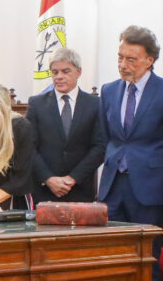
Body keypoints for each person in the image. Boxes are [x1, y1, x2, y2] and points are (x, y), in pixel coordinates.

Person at [97, 26, 163, 281]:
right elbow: (106, 137)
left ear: (149, 60)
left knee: (146, 261)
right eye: (120, 57)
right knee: (110, 262)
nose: (123, 65)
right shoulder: (109, 90)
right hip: (112, 187)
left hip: (150, 191)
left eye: (132, 59)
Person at [25, 48, 106, 203]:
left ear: (78, 72)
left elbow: (100, 147)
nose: (59, 77)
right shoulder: (36, 104)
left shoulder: (95, 104)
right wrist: (48, 178)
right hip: (44, 192)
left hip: (80, 190)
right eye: (55, 72)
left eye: (65, 71)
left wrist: (73, 178)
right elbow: (29, 147)